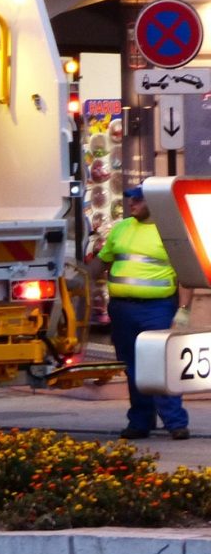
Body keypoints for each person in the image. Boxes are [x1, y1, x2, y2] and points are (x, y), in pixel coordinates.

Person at [87, 181, 190, 440]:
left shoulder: (170, 231)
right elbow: (102, 262)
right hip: (122, 310)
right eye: (130, 199)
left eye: (137, 199)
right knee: (133, 368)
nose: (131, 203)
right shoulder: (121, 229)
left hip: (157, 308)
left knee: (161, 366)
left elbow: (185, 275)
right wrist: (79, 283)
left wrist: (183, 311)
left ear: (154, 202)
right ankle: (140, 422)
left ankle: (175, 423)